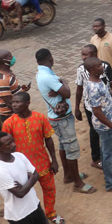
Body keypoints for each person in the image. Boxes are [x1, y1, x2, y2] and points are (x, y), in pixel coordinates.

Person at [0, 132, 69, 224]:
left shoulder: (19, 156)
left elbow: (36, 175)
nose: (14, 144)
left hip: (34, 205)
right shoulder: (1, 169)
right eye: (8, 144)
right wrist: (30, 180)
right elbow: (20, 194)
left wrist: (25, 184)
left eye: (13, 141)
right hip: (18, 214)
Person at [2, 91, 68, 224]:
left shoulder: (40, 118)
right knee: (25, 194)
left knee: (49, 189)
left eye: (17, 102)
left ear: (27, 104)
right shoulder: (9, 123)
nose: (14, 105)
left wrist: (54, 161)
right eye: (13, 102)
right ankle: (31, 220)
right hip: (21, 167)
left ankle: (51, 213)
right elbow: (4, 147)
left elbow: (48, 139)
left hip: (42, 163)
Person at [34, 49, 93, 196]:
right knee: (71, 148)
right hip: (62, 119)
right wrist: (64, 83)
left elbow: (61, 89)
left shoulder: (41, 73)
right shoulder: (48, 76)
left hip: (55, 117)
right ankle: (78, 184)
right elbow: (67, 93)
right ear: (51, 58)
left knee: (63, 145)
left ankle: (69, 175)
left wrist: (60, 86)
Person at [81, 57, 112, 192]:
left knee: (106, 153)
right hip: (106, 127)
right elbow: (96, 112)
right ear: (92, 70)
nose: (102, 66)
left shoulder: (98, 81)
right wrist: (111, 125)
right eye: (98, 66)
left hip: (106, 125)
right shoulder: (94, 87)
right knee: (110, 155)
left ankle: (111, 176)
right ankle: (111, 184)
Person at [74, 44, 112, 171]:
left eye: (86, 55)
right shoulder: (81, 69)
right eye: (82, 54)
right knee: (95, 131)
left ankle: (110, 155)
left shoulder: (105, 66)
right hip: (91, 107)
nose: (83, 57)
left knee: (108, 132)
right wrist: (77, 107)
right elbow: (79, 88)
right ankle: (96, 158)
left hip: (106, 105)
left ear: (94, 55)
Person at [0, 49, 27, 129]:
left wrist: (22, 90)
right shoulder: (2, 79)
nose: (13, 58)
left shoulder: (8, 72)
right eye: (10, 56)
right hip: (10, 115)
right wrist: (22, 114)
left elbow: (11, 91)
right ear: (5, 61)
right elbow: (9, 103)